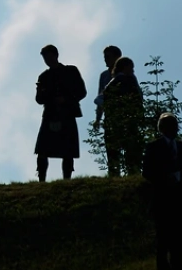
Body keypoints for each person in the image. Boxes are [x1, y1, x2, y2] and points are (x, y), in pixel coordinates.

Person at [141, 112, 182, 270]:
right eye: (169, 126)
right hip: (162, 197)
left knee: (179, 235)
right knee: (163, 236)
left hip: (181, 197)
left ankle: (179, 267)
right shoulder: (153, 147)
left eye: (174, 125)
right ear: (161, 128)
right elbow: (147, 172)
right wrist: (165, 178)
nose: (173, 129)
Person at [34, 44, 87, 182]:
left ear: (56, 55)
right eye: (45, 58)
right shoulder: (44, 76)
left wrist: (66, 99)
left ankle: (67, 180)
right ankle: (41, 180)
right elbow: (39, 100)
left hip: (67, 113)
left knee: (67, 150)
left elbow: (82, 92)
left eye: (49, 56)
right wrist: (40, 92)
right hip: (50, 114)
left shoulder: (71, 71)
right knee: (42, 150)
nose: (47, 60)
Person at [101, 56, 146, 176]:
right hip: (128, 120)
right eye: (131, 68)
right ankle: (133, 173)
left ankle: (114, 176)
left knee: (114, 152)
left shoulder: (112, 83)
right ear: (125, 67)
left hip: (114, 120)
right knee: (131, 150)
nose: (133, 71)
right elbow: (137, 99)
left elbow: (104, 100)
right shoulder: (129, 80)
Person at [94, 45, 124, 176]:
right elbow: (101, 98)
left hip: (124, 115)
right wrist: (98, 119)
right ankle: (114, 174)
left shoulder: (125, 74)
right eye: (104, 57)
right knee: (111, 148)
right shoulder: (104, 76)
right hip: (110, 116)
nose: (105, 60)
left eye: (108, 57)